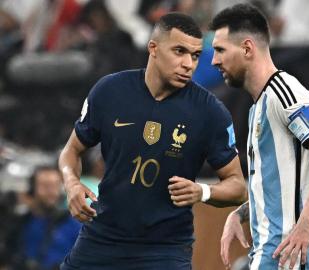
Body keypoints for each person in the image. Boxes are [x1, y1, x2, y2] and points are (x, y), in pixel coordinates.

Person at [58, 12, 247, 270]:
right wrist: (71, 184)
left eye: (194, 55)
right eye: (179, 51)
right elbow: (71, 151)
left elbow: (238, 186)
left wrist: (203, 191)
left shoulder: (210, 112)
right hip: (102, 239)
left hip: (164, 250)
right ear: (153, 48)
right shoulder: (110, 91)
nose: (188, 64)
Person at [209, 4, 309, 270]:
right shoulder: (259, 106)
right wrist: (242, 212)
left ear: (247, 48)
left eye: (220, 50)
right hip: (273, 256)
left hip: (294, 258)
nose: (214, 60)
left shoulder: (284, 92)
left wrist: (307, 223)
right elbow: (282, 184)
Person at [8, 166, 81, 270]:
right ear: (32, 190)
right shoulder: (20, 223)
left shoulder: (74, 224)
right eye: (45, 186)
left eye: (55, 186)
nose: (51, 191)